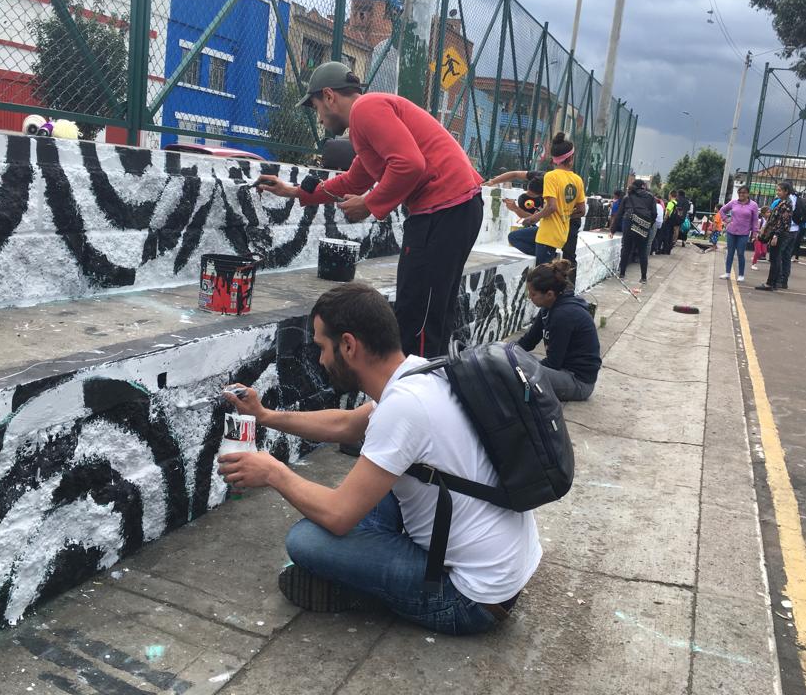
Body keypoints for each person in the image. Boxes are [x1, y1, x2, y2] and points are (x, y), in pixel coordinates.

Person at [218, 283, 540, 633]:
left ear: (349, 345)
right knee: (354, 496)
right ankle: (366, 568)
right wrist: (265, 415)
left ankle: (362, 590)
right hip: (504, 570)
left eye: (322, 347)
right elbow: (347, 425)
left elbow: (339, 517)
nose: (322, 359)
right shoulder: (420, 372)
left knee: (307, 540)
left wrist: (273, 472)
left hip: (470, 600)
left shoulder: (404, 407)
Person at [257, 62, 483, 358]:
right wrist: (295, 192)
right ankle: (430, 389)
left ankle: (416, 395)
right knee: (430, 313)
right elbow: (354, 179)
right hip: (455, 207)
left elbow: (410, 164)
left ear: (328, 96)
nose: (320, 119)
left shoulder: (366, 110)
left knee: (417, 317)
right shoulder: (367, 124)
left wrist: (369, 204)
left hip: (444, 209)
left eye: (316, 109)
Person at [515, 259, 601, 401]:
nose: (530, 298)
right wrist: (504, 353)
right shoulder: (549, 307)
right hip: (561, 370)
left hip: (578, 381)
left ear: (549, 294)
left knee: (518, 375)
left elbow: (553, 363)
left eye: (533, 294)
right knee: (514, 363)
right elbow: (529, 341)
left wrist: (519, 366)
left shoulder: (563, 315)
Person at [507, 133, 584, 265]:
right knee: (514, 237)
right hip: (561, 233)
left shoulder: (551, 176)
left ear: (554, 160)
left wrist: (533, 218)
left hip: (547, 235)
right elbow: (582, 210)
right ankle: (549, 256)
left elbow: (552, 207)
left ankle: (548, 257)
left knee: (543, 276)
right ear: (571, 158)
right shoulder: (577, 180)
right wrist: (565, 214)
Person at [617, 177, 657, 284]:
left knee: (626, 249)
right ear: (643, 186)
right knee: (643, 252)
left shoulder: (628, 196)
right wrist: (647, 224)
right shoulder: (651, 197)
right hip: (643, 226)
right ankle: (643, 277)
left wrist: (612, 229)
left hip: (629, 224)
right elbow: (654, 214)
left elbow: (619, 214)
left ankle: (622, 274)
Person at [755, 183, 794, 291]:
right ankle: (774, 283)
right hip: (778, 233)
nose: (777, 192)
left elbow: (783, 222)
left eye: (780, 190)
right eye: (777, 190)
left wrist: (776, 235)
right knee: (775, 258)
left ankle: (770, 283)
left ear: (786, 191)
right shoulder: (782, 203)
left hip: (779, 234)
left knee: (775, 258)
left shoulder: (786, 204)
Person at [718, 186, 759, 281]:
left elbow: (755, 220)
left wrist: (754, 232)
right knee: (730, 253)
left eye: (744, 193)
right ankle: (727, 273)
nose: (741, 194)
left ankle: (741, 275)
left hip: (744, 233)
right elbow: (722, 210)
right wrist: (726, 219)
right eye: (740, 192)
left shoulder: (753, 205)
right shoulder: (733, 202)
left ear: (748, 194)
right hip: (731, 231)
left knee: (740, 253)